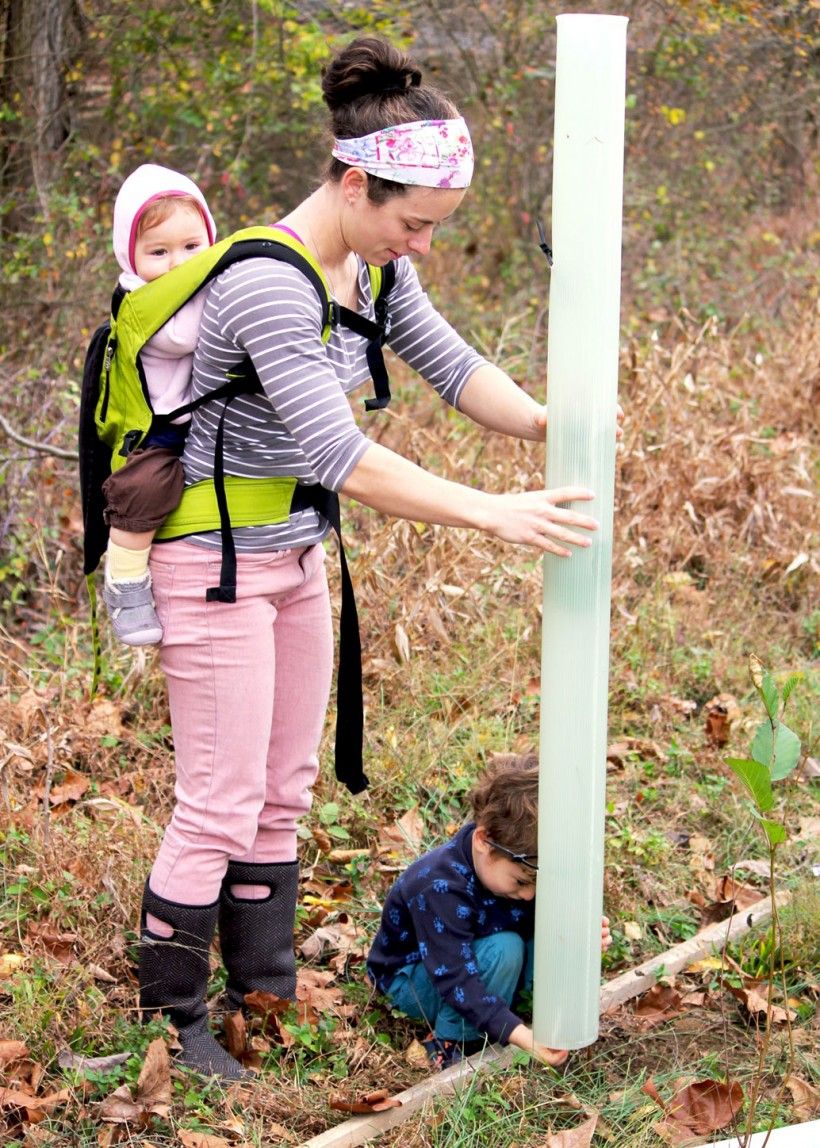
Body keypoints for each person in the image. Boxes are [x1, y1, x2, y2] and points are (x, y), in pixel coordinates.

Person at [137, 36, 605, 1081]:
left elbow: (455, 368)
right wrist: (494, 514)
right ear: (354, 183)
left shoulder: (369, 268)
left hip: (295, 556)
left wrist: (556, 425)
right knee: (217, 795)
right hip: (212, 560)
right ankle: (177, 1019)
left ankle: (264, 988)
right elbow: (341, 454)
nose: (424, 247)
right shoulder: (269, 280)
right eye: (414, 224)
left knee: (283, 786)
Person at [367, 754, 612, 1069]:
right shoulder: (438, 887)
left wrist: (583, 935)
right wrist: (521, 1036)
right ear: (485, 840)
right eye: (522, 881)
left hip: (476, 959)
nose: (530, 894)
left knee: (546, 929)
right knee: (504, 949)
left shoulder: (511, 867)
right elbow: (454, 976)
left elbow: (548, 921)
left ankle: (510, 1008)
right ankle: (455, 1041)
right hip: (416, 981)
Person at [101, 163, 216, 645]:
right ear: (132, 257)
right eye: (159, 252)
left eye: (193, 247)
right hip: (157, 431)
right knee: (143, 493)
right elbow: (187, 336)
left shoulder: (186, 285)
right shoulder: (142, 301)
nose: (178, 264)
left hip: (197, 421)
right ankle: (125, 584)